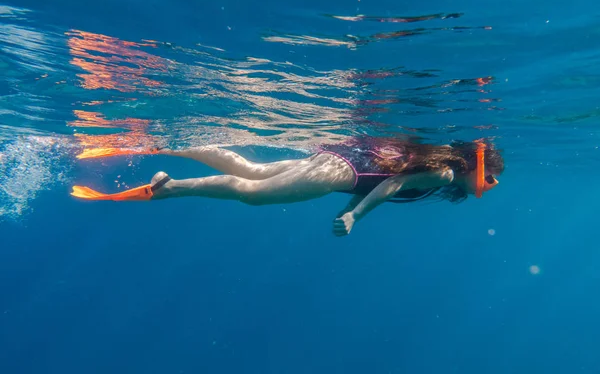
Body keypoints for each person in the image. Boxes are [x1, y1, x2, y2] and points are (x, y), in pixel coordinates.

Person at [71, 136, 503, 236]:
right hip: (338, 173)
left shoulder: (432, 156)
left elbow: (386, 177)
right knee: (253, 193)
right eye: (489, 176)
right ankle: (170, 186)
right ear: (471, 166)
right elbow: (388, 187)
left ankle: (168, 149)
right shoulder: (443, 173)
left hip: (335, 159)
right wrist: (354, 213)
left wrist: (351, 205)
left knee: (253, 172)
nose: (488, 185)